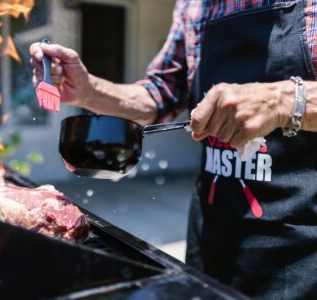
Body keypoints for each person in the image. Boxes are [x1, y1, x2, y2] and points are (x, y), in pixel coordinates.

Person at [30, 0, 317, 298]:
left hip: (304, 251)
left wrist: (285, 100)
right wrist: (88, 89)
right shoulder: (196, 5)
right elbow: (160, 94)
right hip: (212, 235)